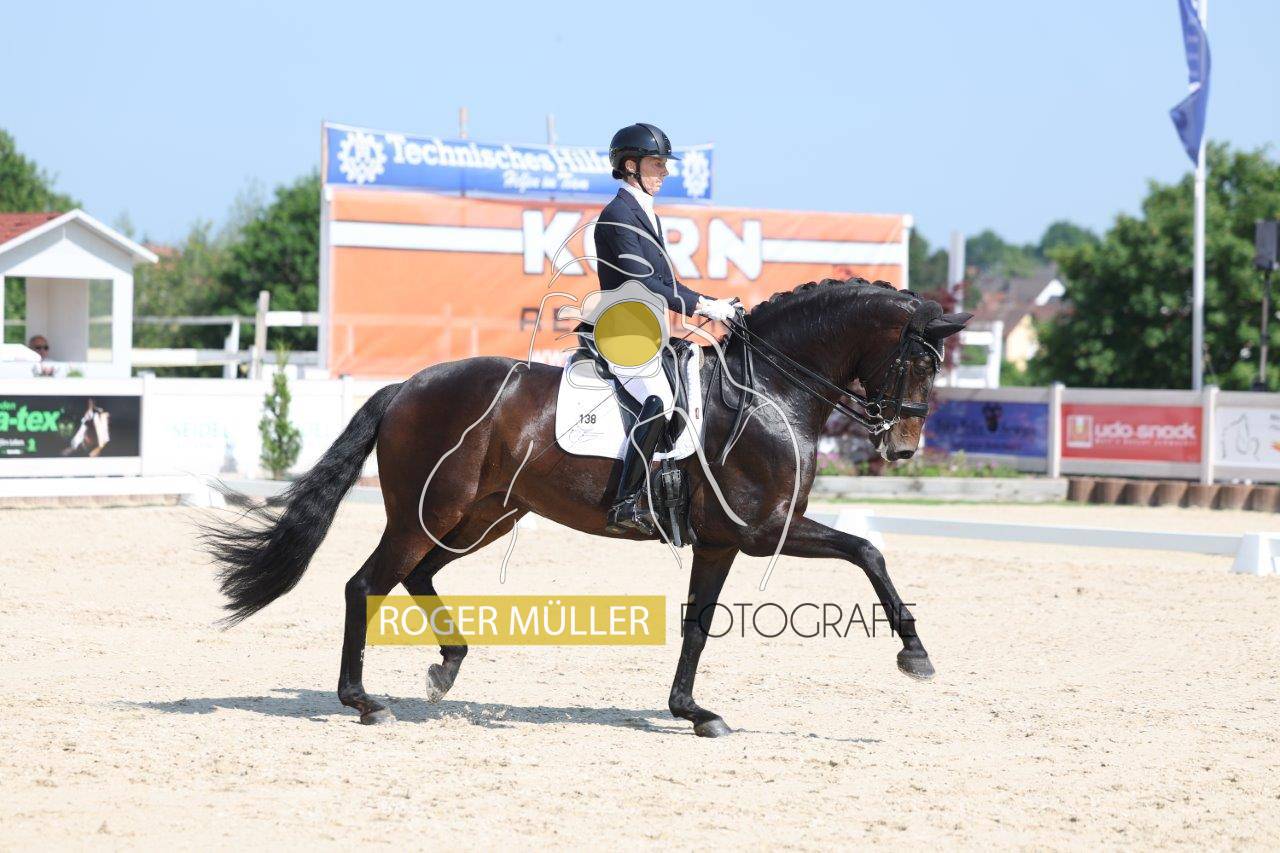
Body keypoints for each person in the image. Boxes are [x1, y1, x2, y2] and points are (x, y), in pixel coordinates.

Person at [591, 122, 739, 535]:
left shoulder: (644, 214)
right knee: (658, 399)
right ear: (631, 165)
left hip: (647, 332)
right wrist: (703, 307)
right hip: (623, 333)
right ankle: (625, 502)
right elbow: (642, 283)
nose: (665, 171)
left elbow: (666, 282)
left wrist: (713, 302)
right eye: (657, 164)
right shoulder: (618, 216)